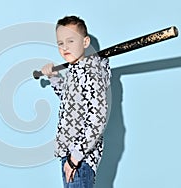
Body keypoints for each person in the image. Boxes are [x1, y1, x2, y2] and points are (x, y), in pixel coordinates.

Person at [41, 16, 111, 188]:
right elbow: (71, 102)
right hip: (70, 153)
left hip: (81, 158)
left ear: (85, 42)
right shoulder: (76, 70)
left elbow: (98, 119)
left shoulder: (92, 73)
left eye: (71, 41)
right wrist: (54, 78)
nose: (65, 47)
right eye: (60, 43)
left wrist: (75, 158)